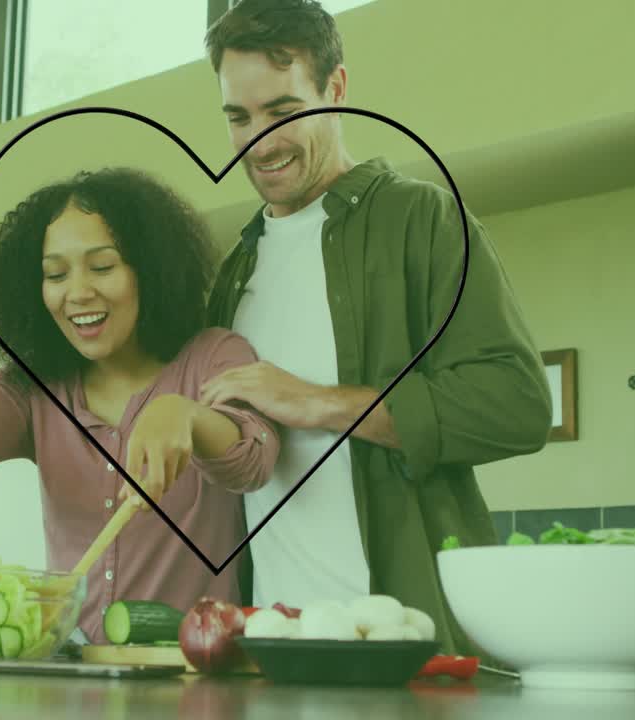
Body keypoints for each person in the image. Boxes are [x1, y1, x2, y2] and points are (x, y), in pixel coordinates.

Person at [199, 0, 554, 656]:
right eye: (239, 117)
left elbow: (520, 404)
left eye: (283, 111)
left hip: (412, 651)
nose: (261, 141)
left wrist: (320, 403)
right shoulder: (233, 272)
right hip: (272, 654)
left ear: (336, 90)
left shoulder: (423, 219)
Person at [0, 167, 280, 644]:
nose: (77, 292)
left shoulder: (213, 356)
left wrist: (189, 416)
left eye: (102, 267)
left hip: (194, 679)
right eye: (56, 274)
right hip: (70, 686)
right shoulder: (37, 388)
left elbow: (255, 456)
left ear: (150, 270)